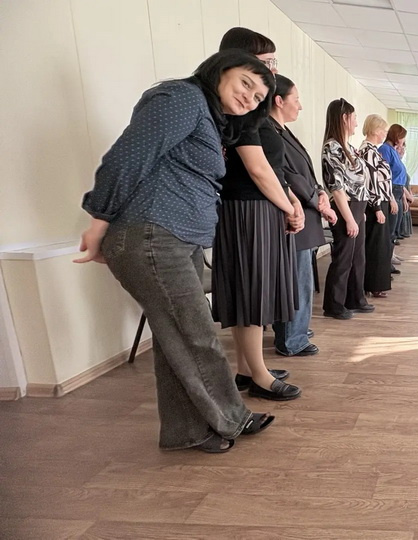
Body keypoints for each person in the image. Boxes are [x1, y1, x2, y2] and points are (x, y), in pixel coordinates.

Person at [76, 50, 278, 452]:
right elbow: (128, 157)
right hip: (154, 234)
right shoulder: (182, 98)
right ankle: (232, 418)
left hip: (174, 238)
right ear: (220, 70)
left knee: (176, 340)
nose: (250, 98)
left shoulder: (208, 115)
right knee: (196, 336)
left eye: (258, 97)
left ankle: (189, 432)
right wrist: (99, 221)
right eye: (246, 83)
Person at [212, 28, 302, 401]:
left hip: (256, 208)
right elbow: (259, 170)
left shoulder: (254, 110)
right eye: (266, 62)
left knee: (250, 292)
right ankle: (259, 375)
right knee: (251, 294)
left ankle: (247, 369)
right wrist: (290, 206)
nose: (272, 70)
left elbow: (274, 171)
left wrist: (290, 200)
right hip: (248, 210)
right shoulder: (243, 111)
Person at [269, 75, 337, 357]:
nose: (300, 106)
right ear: (279, 100)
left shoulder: (283, 131)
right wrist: (318, 202)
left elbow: (306, 172)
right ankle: (292, 339)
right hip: (294, 217)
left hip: (306, 213)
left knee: (300, 279)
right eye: (296, 100)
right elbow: (287, 176)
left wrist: (320, 192)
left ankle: (295, 329)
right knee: (297, 282)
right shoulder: (269, 132)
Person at [322, 98, 374, 320]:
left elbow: (358, 182)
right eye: (354, 118)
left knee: (358, 257)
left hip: (357, 207)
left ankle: (355, 298)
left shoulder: (350, 148)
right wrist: (350, 218)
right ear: (344, 118)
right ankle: (334, 304)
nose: (356, 123)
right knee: (344, 257)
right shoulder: (332, 148)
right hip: (345, 207)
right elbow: (337, 188)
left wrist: (360, 212)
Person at [359, 114, 394, 298]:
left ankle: (374, 284)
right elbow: (371, 182)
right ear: (375, 130)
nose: (385, 134)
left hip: (381, 202)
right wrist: (377, 208)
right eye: (383, 131)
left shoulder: (373, 150)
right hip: (376, 205)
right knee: (376, 247)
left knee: (381, 246)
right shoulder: (368, 151)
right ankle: (372, 284)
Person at [380, 124, 408, 246]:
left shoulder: (393, 150)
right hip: (392, 190)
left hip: (398, 191)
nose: (403, 141)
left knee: (395, 226)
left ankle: (391, 251)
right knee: (390, 227)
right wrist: (391, 197)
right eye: (402, 138)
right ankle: (387, 253)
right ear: (396, 136)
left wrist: (403, 196)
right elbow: (383, 175)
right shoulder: (385, 149)